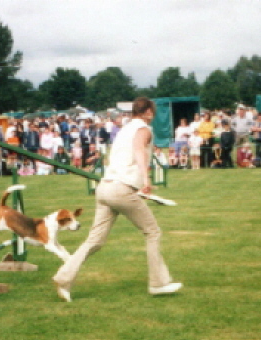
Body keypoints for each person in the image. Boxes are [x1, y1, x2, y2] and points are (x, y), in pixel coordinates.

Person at [53, 97, 182, 302]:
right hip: (121, 189)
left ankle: (64, 277)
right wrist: (146, 179)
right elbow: (139, 151)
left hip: (104, 188)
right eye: (153, 112)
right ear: (148, 112)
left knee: (94, 241)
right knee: (153, 232)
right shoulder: (143, 130)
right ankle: (158, 283)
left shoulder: (124, 129)